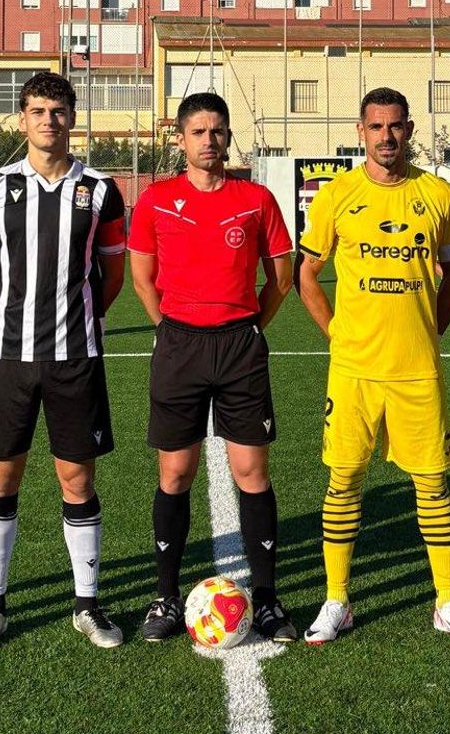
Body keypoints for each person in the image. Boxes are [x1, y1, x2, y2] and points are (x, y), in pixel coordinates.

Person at [296, 87, 450, 647]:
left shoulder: (437, 194)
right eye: (375, 127)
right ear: (361, 131)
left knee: (433, 484)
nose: (386, 137)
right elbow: (308, 274)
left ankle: (447, 601)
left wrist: (434, 329)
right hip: (354, 369)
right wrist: (336, 334)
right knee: (344, 479)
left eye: (396, 126)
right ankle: (337, 599)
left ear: (409, 130)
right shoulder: (335, 196)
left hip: (417, 368)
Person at [0, 72, 128, 652]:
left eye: (58, 111)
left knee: (76, 479)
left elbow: (113, 276)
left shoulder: (101, 189)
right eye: (37, 111)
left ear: (72, 117)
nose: (48, 121)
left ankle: (88, 605)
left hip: (75, 358)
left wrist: (75, 322)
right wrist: (7, 322)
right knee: (0, 477)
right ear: (22, 118)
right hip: (9, 358)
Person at [127, 92, 298, 644]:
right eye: (198, 131)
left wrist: (247, 326)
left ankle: (268, 599)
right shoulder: (155, 201)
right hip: (179, 347)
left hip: (239, 348)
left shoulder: (255, 199)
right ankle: (165, 595)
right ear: (180, 139)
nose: (209, 141)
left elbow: (282, 278)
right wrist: (172, 330)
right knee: (174, 474)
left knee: (252, 473)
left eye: (218, 131)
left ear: (228, 137)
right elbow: (143, 280)